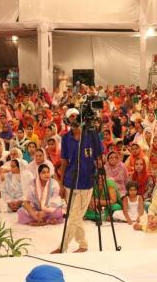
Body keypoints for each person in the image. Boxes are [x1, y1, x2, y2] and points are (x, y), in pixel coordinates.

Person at [52, 108, 103, 254]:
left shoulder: (91, 134)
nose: (75, 119)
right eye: (72, 117)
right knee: (76, 216)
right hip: (69, 182)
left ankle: (63, 247)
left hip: (86, 183)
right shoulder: (66, 137)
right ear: (68, 120)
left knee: (74, 217)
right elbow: (63, 163)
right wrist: (61, 185)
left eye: (77, 116)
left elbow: (100, 156)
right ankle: (83, 245)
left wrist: (99, 167)